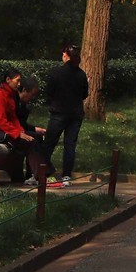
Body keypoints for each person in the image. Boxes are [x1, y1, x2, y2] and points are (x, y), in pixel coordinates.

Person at [0, 68, 46, 184]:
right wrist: (17, 133)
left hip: (4, 132)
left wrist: (21, 132)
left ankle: (36, 175)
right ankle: (39, 175)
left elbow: (13, 119)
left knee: (32, 139)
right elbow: (0, 121)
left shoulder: (9, 95)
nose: (19, 84)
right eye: (17, 80)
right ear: (8, 80)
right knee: (31, 142)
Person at [45, 43, 89, 184]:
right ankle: (66, 175)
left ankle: (42, 171)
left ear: (66, 55)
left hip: (58, 113)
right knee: (70, 144)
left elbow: (49, 91)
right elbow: (84, 94)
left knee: (50, 142)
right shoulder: (81, 74)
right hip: (75, 113)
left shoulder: (57, 72)